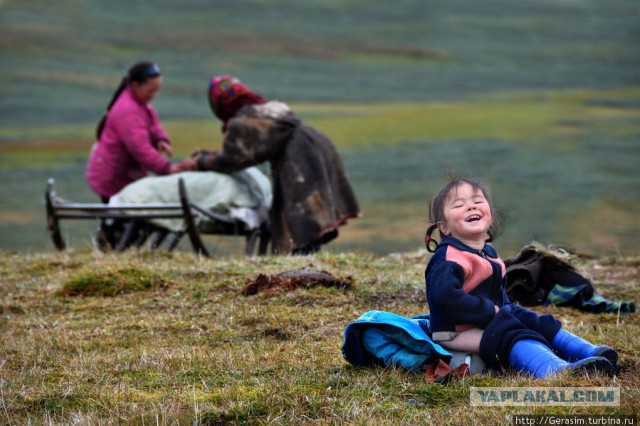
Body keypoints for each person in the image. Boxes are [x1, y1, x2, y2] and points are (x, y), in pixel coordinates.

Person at [423, 178, 619, 378]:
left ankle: (589, 352)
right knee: (510, 333)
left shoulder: (487, 252)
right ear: (444, 227)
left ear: (491, 216)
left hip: (490, 317)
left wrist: (508, 311)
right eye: (459, 204)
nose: (471, 206)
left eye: (477, 201)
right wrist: (491, 312)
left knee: (536, 321)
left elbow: (498, 294)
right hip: (456, 331)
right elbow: (445, 298)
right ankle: (554, 369)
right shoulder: (448, 258)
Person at [187, 75, 361, 255]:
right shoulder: (263, 111)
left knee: (301, 218)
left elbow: (232, 159)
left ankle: (302, 265)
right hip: (314, 147)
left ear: (219, 106)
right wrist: (208, 155)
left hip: (300, 160)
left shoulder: (245, 121)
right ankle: (305, 261)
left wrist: (199, 162)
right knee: (307, 218)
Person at [85, 61, 188, 249]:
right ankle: (110, 255)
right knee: (121, 221)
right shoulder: (128, 110)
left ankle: (114, 253)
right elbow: (141, 149)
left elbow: (152, 123)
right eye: (150, 90)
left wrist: (160, 138)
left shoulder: (140, 103)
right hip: (113, 175)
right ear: (136, 85)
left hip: (125, 173)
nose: (153, 96)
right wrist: (167, 168)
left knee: (126, 218)